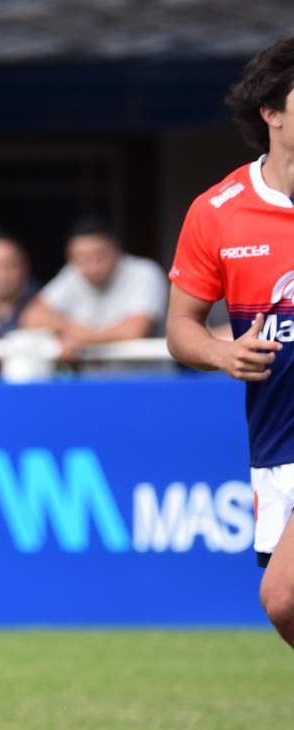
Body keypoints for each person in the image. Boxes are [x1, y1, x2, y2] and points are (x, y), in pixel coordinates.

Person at [167, 35, 294, 644]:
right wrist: (222, 351)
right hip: (275, 443)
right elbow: (180, 329)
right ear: (271, 111)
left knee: (285, 594)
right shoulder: (217, 211)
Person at [20, 216, 168, 363]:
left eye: (99, 256)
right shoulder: (72, 274)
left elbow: (134, 330)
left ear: (116, 250)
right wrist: (73, 328)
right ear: (70, 257)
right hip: (92, 380)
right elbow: (31, 317)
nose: (92, 267)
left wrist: (83, 339)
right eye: (82, 258)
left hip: (145, 379)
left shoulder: (145, 272)